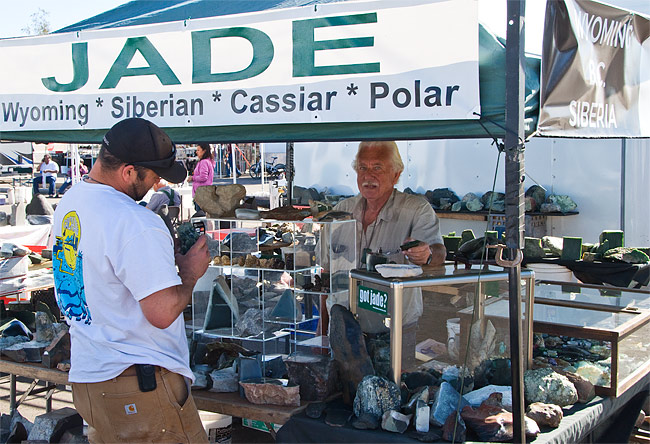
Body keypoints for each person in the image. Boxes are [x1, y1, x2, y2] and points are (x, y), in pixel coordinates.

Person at [51, 117, 210, 444]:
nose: (156, 186)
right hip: (138, 388)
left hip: (91, 377)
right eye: (153, 176)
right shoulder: (134, 221)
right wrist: (191, 276)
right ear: (128, 171)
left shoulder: (71, 202)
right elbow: (162, 313)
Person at [325, 141, 446, 334]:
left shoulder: (416, 210)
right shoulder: (341, 210)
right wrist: (321, 330)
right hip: (343, 327)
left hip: (395, 329)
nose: (368, 176)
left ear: (396, 174)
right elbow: (326, 274)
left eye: (377, 168)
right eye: (362, 167)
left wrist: (427, 254)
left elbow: (439, 252)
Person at [187, 143, 215, 212]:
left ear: (204, 151)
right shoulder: (208, 161)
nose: (196, 152)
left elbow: (203, 177)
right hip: (204, 193)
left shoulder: (204, 162)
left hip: (201, 194)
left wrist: (192, 178)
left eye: (198, 150)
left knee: (201, 215)